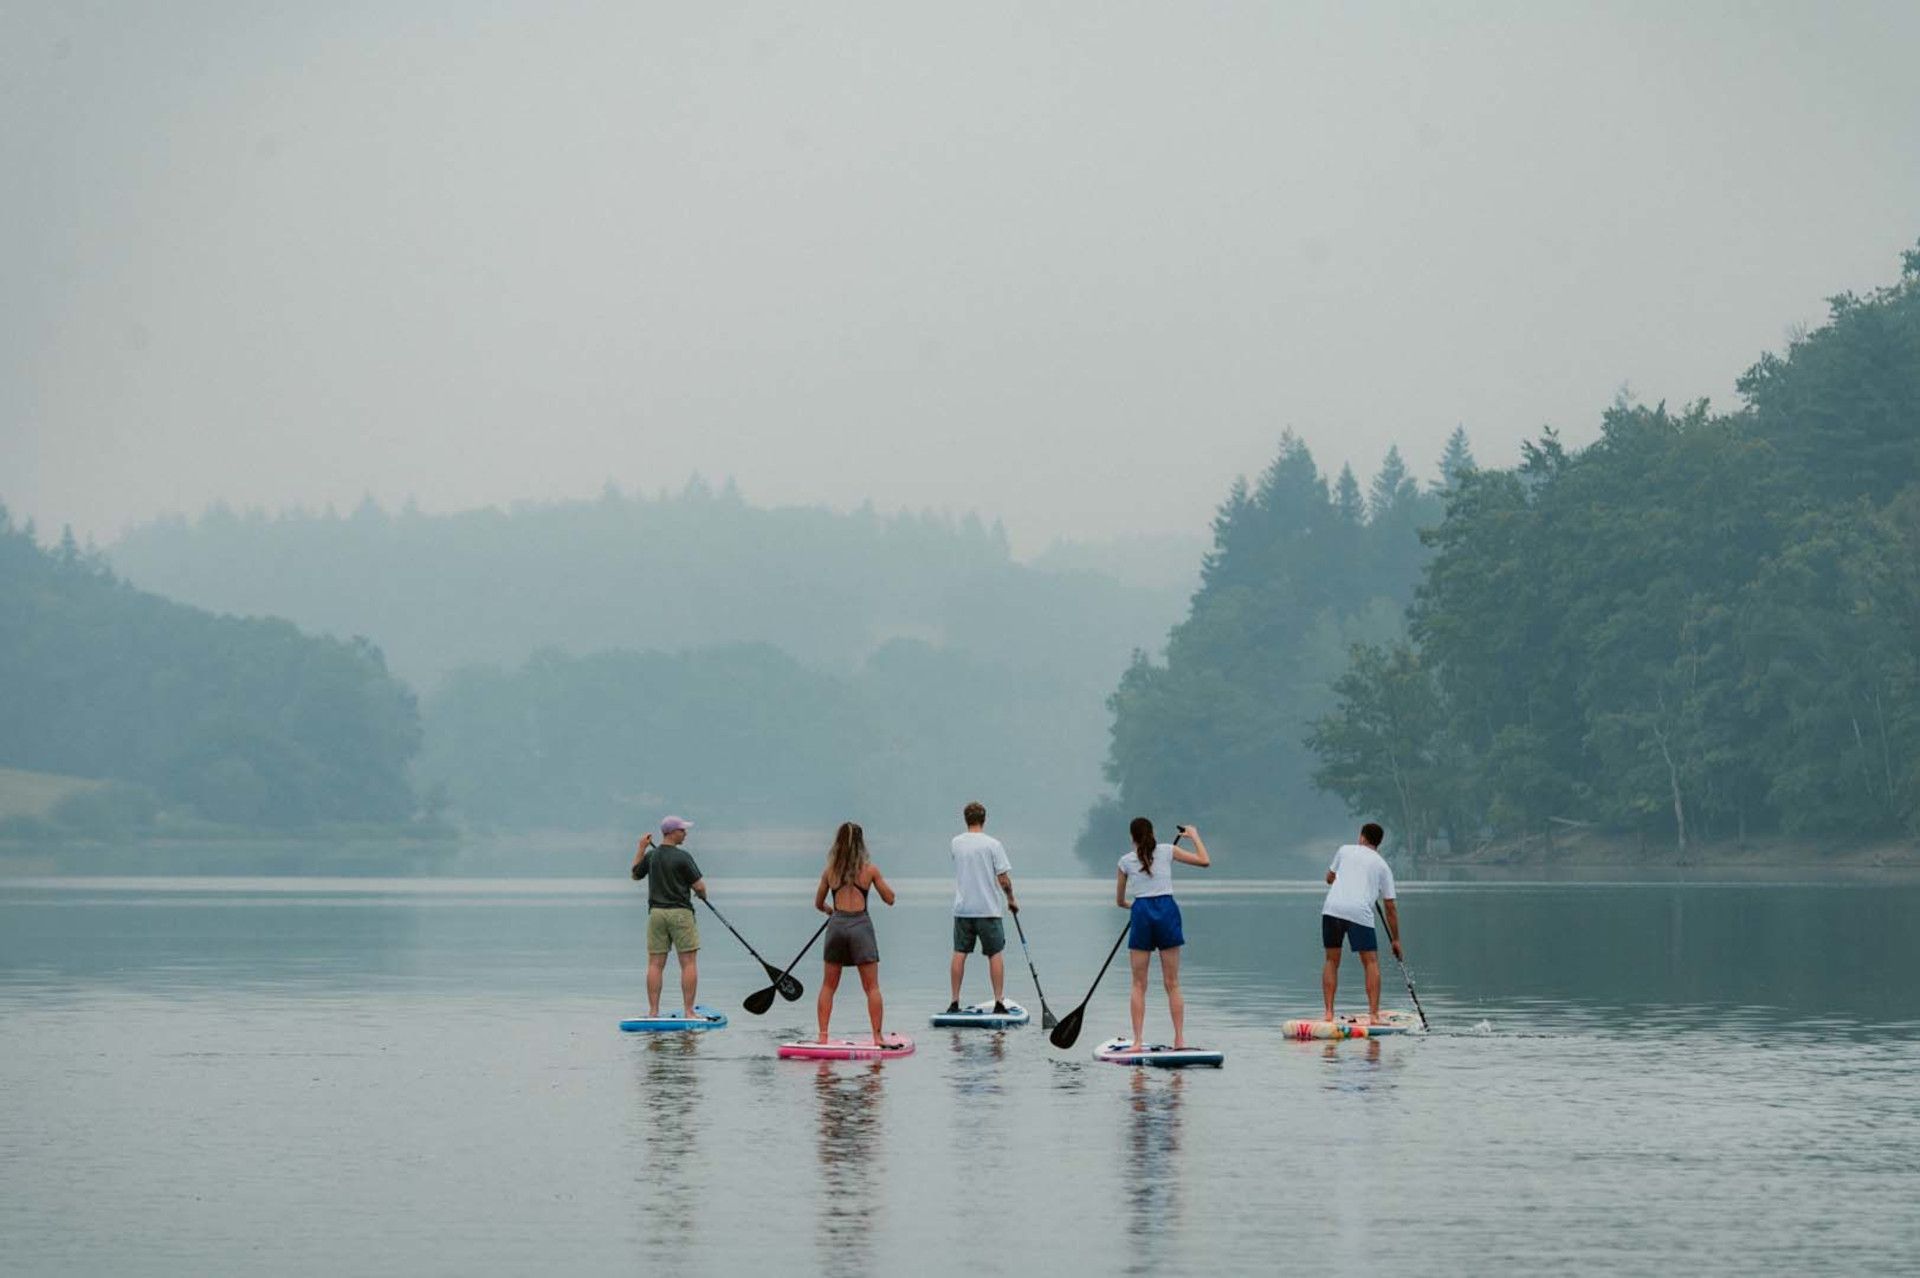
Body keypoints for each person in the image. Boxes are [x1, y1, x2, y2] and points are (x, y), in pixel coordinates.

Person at [1116, 818, 1211, 1050]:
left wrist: (1136, 907)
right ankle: (1179, 1040)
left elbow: (1119, 901)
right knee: (1173, 983)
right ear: (1153, 833)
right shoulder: (1168, 850)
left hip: (1142, 914)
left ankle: (1137, 1041)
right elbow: (1204, 861)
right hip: (1167, 912)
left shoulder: (1125, 862)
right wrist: (1194, 834)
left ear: (1132, 837)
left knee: (1139, 984)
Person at [813, 821, 898, 1046]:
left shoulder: (830, 872)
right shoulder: (869, 870)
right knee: (872, 987)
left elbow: (818, 903)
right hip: (861, 926)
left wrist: (830, 910)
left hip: (837, 926)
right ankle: (877, 1037)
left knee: (828, 985)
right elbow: (890, 899)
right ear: (861, 844)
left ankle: (823, 1036)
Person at [630, 815, 713, 1020]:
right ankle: (689, 1012)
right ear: (672, 832)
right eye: (683, 830)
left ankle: (653, 1012)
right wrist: (702, 896)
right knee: (688, 963)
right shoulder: (682, 857)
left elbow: (634, 874)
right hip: (680, 914)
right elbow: (700, 887)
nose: (685, 833)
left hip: (656, 915)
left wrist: (641, 847)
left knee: (655, 964)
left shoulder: (652, 856)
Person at [1320, 821, 1402, 1025]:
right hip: (1359, 913)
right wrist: (1396, 940)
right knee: (1370, 962)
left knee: (1331, 960)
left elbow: (1329, 878)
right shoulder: (1382, 866)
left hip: (1332, 909)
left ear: (1362, 837)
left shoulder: (1344, 850)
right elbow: (1390, 907)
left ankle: (1329, 1013)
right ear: (1378, 843)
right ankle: (1373, 1015)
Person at [947, 800, 1020, 1015]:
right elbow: (1003, 879)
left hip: (963, 909)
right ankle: (998, 1001)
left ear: (965, 819)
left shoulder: (956, 843)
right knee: (995, 953)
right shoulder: (992, 844)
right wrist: (1011, 899)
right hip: (988, 909)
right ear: (984, 819)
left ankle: (954, 1002)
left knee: (959, 952)